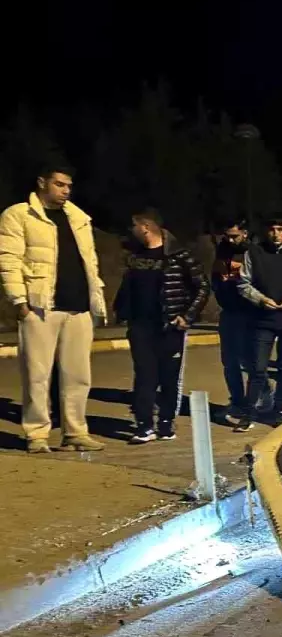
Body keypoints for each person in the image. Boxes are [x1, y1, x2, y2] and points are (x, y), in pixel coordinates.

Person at [0, 164, 107, 453]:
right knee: (37, 374)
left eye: (68, 186)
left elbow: (91, 261)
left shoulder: (78, 218)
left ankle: (75, 431)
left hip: (79, 307)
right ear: (42, 183)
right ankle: (36, 434)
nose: (65, 191)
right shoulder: (18, 215)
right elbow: (9, 259)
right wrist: (19, 302)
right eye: (59, 184)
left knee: (78, 374)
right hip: (40, 307)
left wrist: (95, 300)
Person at [113, 208, 209, 443]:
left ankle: (166, 423)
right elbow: (128, 287)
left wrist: (187, 316)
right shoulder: (135, 256)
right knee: (145, 375)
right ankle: (144, 425)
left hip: (170, 326)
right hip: (140, 326)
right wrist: (122, 310)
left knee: (168, 377)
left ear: (145, 227)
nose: (131, 231)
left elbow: (202, 286)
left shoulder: (179, 255)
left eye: (134, 226)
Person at [235, 215, 282, 431]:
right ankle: (249, 412)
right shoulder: (254, 253)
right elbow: (243, 283)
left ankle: (279, 410)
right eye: (272, 229)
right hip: (262, 319)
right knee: (258, 369)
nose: (276, 234)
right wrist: (260, 299)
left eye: (281, 229)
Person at [211, 217, 269, 422]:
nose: (230, 240)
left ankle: (261, 399)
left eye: (234, 236)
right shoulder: (222, 250)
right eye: (226, 236)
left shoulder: (254, 252)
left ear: (245, 233)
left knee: (253, 361)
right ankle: (237, 401)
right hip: (229, 312)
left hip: (250, 312)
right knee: (229, 361)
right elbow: (215, 276)